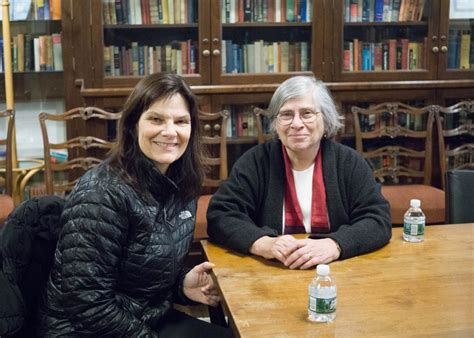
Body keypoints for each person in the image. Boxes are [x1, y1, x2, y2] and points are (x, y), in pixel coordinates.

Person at [40, 73, 233, 337]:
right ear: (133, 125)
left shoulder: (180, 183)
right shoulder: (101, 193)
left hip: (142, 318)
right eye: (156, 119)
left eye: (181, 121)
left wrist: (182, 285)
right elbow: (87, 304)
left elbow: (142, 271)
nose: (170, 131)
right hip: (84, 330)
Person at [207, 76, 392, 269]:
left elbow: (378, 220)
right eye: (287, 114)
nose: (296, 123)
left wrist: (335, 244)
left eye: (307, 113)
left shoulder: (349, 162)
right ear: (276, 124)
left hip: (337, 271)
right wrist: (264, 243)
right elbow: (220, 215)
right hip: (271, 271)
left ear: (326, 119)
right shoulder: (256, 162)